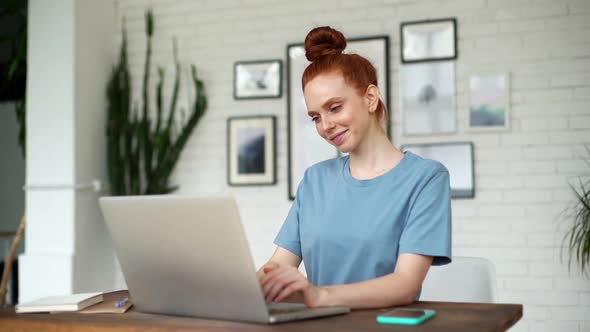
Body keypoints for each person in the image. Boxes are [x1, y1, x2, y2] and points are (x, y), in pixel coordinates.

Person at [257, 26, 452, 309]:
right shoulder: (315, 180)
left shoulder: (426, 178)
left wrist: (319, 296)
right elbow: (276, 266)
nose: (325, 126)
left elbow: (405, 285)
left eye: (334, 108)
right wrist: (242, 293)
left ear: (370, 98)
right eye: (315, 117)